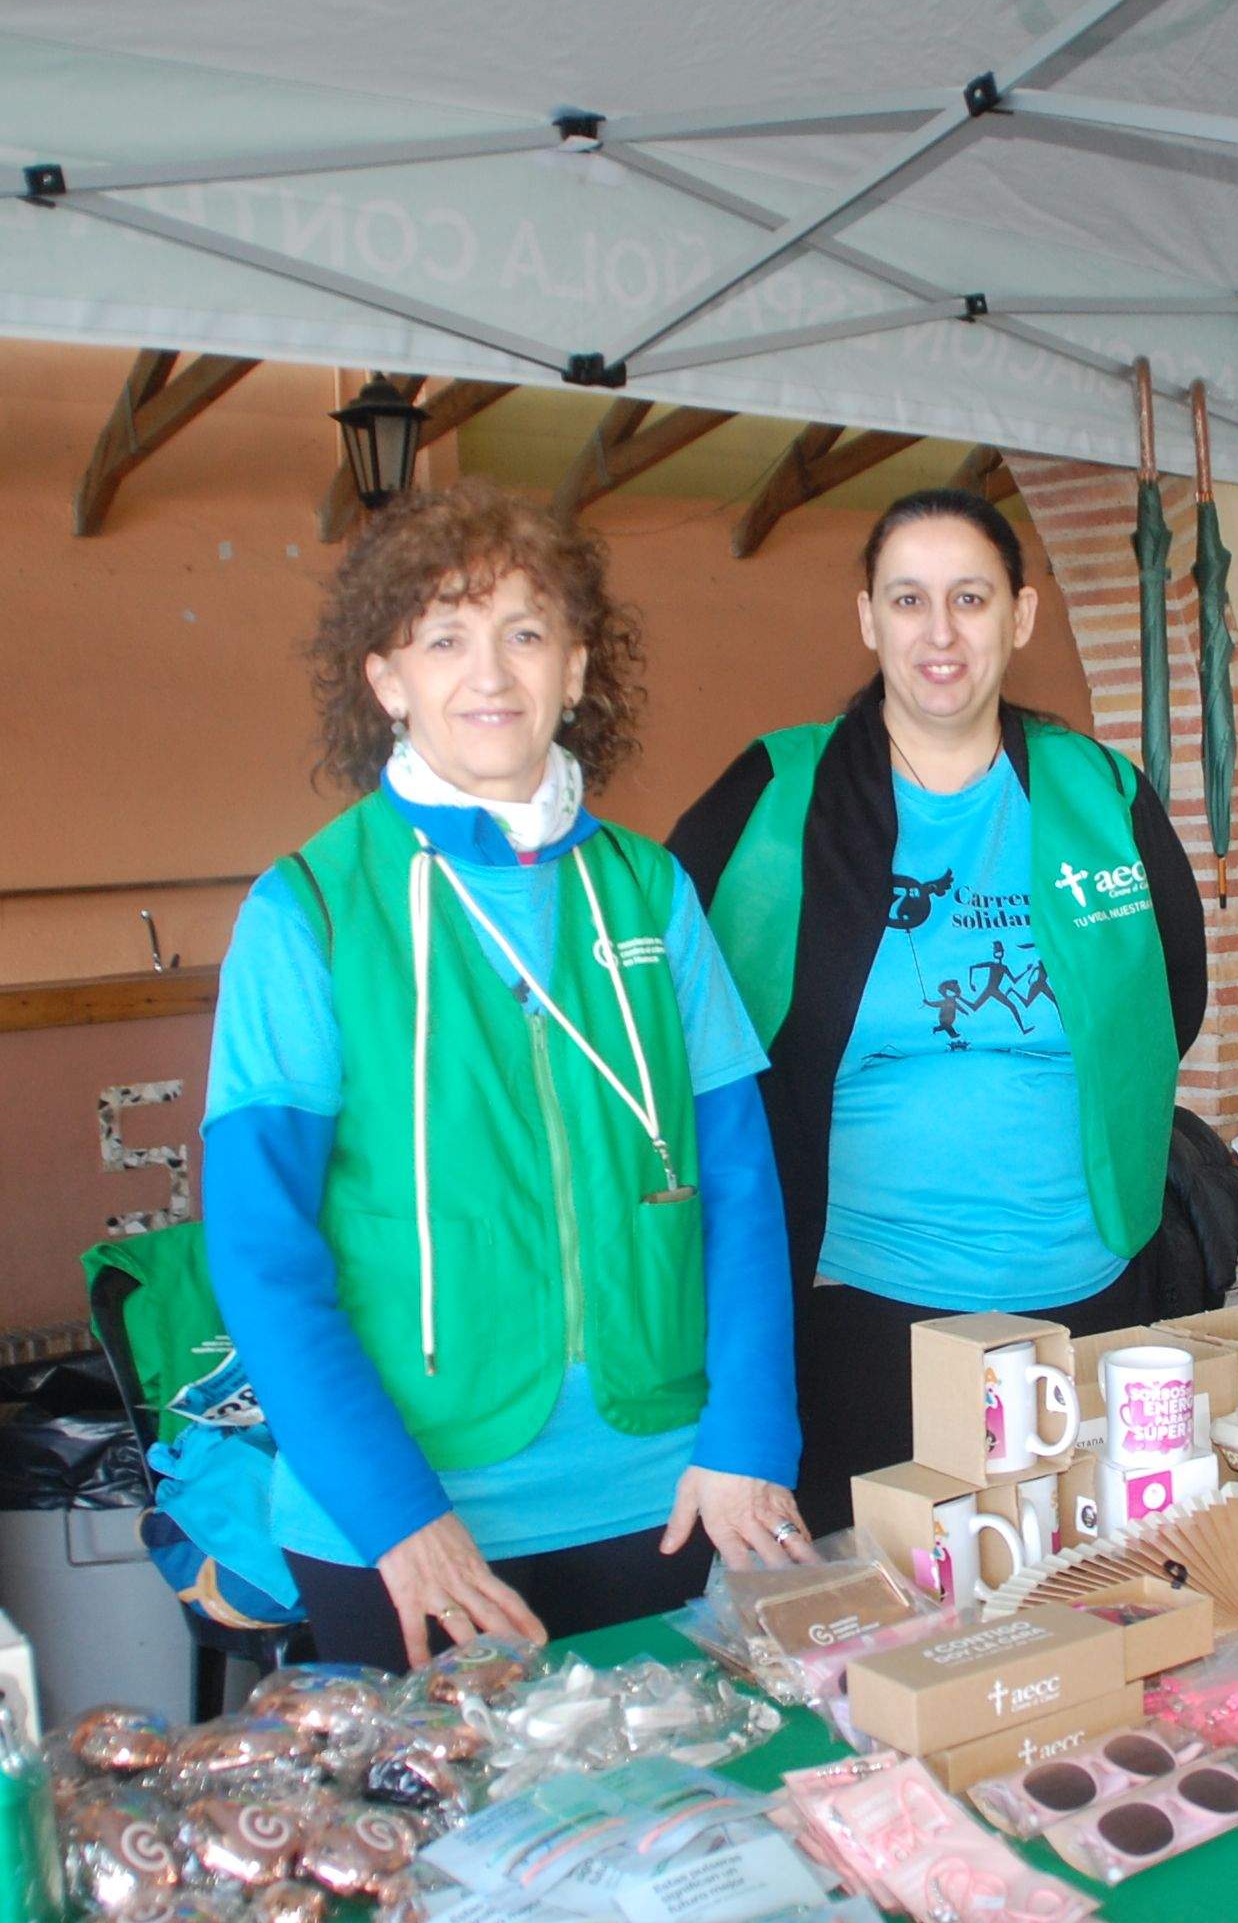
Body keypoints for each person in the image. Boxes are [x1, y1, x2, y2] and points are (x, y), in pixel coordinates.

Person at [204, 479, 810, 1672]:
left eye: (524, 632)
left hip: (667, 1482)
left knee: (680, 1828)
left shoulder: (648, 890)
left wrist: (750, 1429)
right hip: (415, 1514)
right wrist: (395, 1513)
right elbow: (261, 1253)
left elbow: (737, 1179)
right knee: (448, 1851)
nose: (489, 673)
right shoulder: (311, 909)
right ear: (387, 680)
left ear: (575, 669)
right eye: (444, 637)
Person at [670, 488, 1207, 1529]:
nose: (940, 630)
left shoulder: (1100, 791)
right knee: (885, 1623)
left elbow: (1166, 999)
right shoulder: (776, 795)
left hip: (1085, 1295)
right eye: (907, 598)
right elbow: (670, 1012)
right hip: (861, 1313)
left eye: (969, 596)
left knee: (1077, 1596)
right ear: (867, 618)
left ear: (1020, 616)